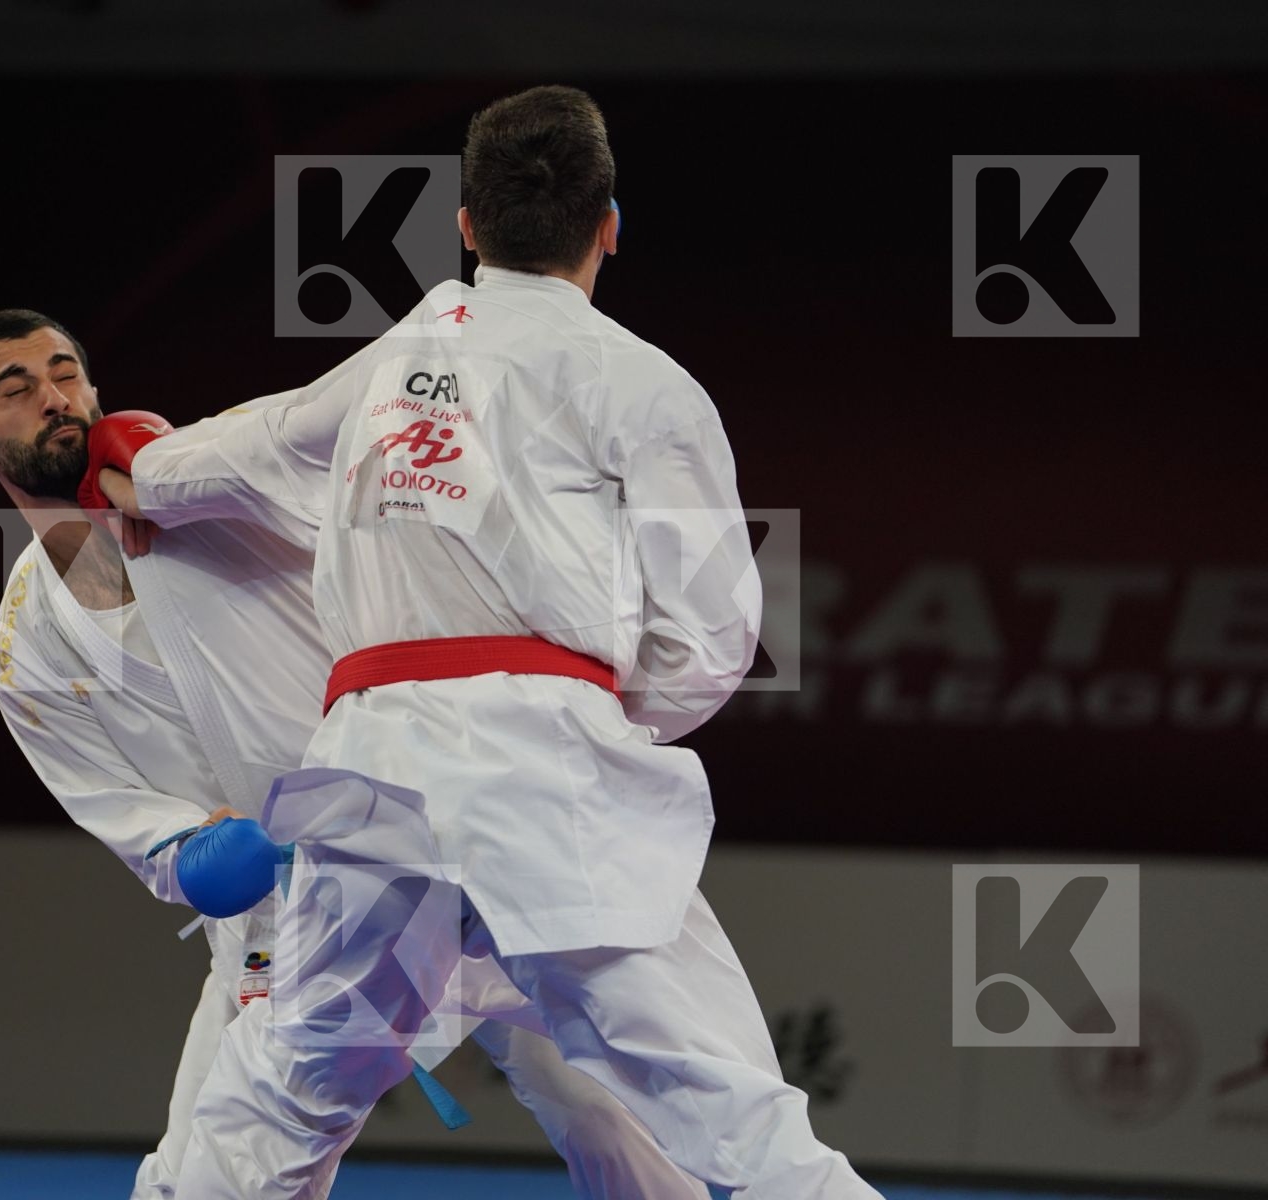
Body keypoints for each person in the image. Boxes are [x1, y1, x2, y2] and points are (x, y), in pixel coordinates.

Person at [91, 86, 884, 1198]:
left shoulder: (391, 362)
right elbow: (712, 636)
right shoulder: (645, 384)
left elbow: (246, 446)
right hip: (543, 769)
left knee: (284, 1090)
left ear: (467, 226)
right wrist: (588, 709)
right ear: (610, 226)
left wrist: (128, 459)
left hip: (368, 770)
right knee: (726, 1103)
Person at [0, 307, 712, 1198]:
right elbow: (123, 811)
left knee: (612, 1121)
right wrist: (191, 854)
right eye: (17, 388)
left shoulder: (211, 482)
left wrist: (172, 472)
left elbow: (334, 437)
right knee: (209, 1179)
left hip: (463, 842)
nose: (53, 397)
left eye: (65, 372)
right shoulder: (26, 645)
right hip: (303, 919)